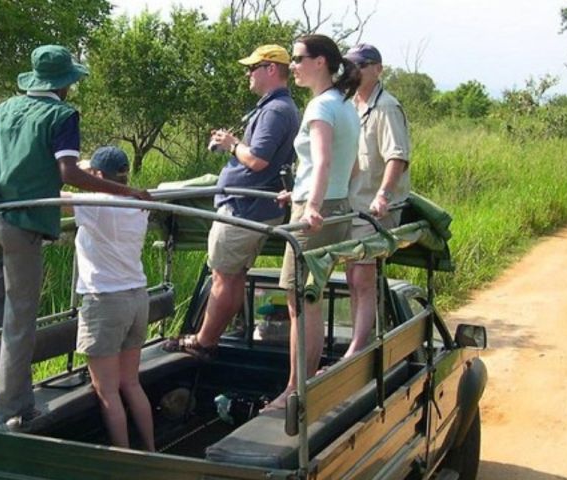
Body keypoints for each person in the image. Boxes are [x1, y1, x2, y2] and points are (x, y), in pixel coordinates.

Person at [0, 45, 151, 430]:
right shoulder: (62, 115)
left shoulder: (1, 109)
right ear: (64, 84)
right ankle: (13, 407)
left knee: (8, 257)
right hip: (23, 222)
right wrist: (126, 192)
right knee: (21, 319)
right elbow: (68, 172)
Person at [163, 44, 300, 360]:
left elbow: (258, 160)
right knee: (233, 275)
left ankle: (205, 341)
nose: (248, 74)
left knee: (223, 276)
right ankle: (212, 336)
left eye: (253, 68)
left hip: (244, 209)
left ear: (270, 69)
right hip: (251, 208)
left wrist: (231, 144)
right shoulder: (277, 108)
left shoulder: (276, 110)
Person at [268, 34, 361, 410]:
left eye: (298, 59)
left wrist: (311, 204)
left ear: (320, 61)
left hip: (317, 212)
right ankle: (303, 384)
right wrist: (308, 194)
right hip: (336, 206)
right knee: (311, 298)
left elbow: (322, 161)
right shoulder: (346, 104)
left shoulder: (321, 106)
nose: (293, 65)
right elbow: (351, 167)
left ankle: (294, 390)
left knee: (298, 302)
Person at [69, 146, 155, 451]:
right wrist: (90, 171)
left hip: (105, 300)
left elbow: (54, 188)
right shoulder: (138, 202)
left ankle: (124, 456)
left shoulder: (96, 203)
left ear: (97, 175)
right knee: (130, 383)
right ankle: (150, 450)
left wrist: (77, 168)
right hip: (136, 296)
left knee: (107, 390)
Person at [343, 44, 412, 357]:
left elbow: (396, 156)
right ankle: (362, 338)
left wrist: (384, 195)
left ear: (377, 69)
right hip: (352, 204)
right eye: (350, 65)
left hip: (373, 207)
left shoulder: (386, 106)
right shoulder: (351, 104)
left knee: (363, 275)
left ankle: (359, 346)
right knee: (352, 274)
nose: (354, 71)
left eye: (360, 65)